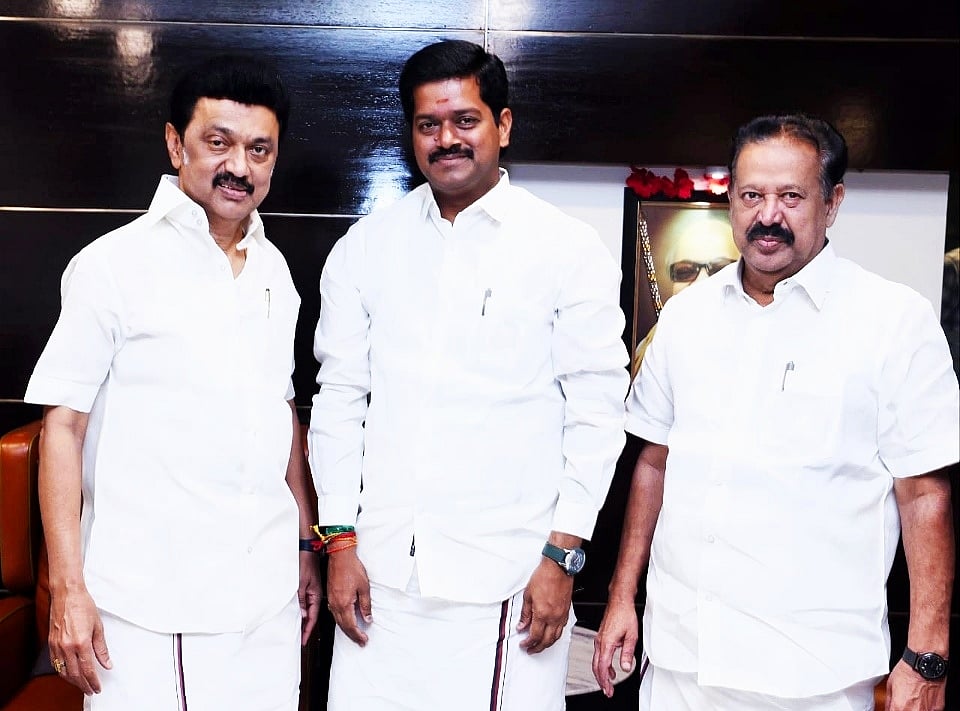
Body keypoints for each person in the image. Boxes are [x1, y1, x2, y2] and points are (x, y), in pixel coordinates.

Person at [592, 114, 959, 711]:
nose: (768, 216)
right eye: (751, 196)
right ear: (731, 200)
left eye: (791, 197)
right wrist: (620, 597)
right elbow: (654, 463)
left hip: (814, 678)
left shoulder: (894, 322)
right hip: (681, 663)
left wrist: (927, 656)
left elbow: (924, 495)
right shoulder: (686, 318)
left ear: (832, 203)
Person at [308, 39, 629, 710]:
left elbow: (597, 414)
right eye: (429, 124)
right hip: (379, 578)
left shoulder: (565, 248)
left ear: (502, 125)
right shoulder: (367, 247)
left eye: (465, 120)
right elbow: (339, 401)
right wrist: (339, 541)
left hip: (510, 579)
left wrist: (562, 555)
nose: (446, 138)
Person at [24, 55, 320, 710]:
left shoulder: (275, 271)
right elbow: (62, 427)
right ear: (175, 143)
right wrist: (68, 589)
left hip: (265, 604)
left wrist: (305, 541)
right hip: (149, 608)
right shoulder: (111, 266)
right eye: (219, 142)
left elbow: (280, 410)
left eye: (259, 149)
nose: (239, 166)